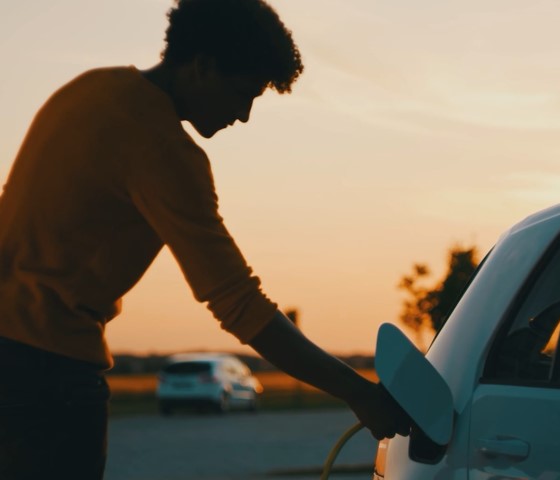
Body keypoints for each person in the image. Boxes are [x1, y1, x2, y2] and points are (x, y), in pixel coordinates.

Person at [0, 0, 409, 478]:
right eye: (242, 93)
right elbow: (239, 304)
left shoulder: (88, 90)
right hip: (47, 379)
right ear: (201, 66)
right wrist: (360, 394)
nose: (245, 115)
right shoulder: (165, 151)